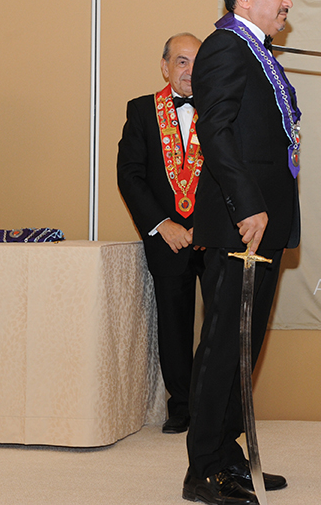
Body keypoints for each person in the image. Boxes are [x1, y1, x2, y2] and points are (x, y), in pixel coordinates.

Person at [183, 0, 300, 505]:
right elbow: (217, 131)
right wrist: (247, 204)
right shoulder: (226, 47)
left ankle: (229, 456)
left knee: (243, 347)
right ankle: (202, 470)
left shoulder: (258, 50)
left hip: (263, 222)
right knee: (223, 346)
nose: (287, 1)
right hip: (242, 223)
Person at [117, 32, 206, 435]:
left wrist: (209, 224)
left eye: (197, 61)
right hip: (166, 237)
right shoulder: (141, 110)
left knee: (219, 323)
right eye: (182, 61)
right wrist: (162, 225)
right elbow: (130, 175)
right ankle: (182, 405)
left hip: (213, 234)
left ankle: (213, 405)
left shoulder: (222, 108)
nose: (189, 70)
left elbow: (232, 172)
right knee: (173, 324)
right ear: (165, 66)